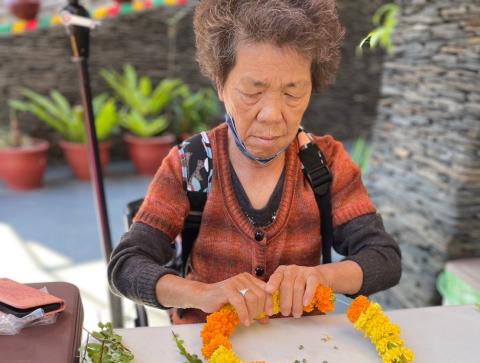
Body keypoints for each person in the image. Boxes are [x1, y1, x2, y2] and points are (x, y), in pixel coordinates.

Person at [108, 0, 401, 327]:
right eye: (252, 91)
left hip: (304, 349)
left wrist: (319, 277)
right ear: (221, 85)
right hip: (203, 345)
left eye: (293, 93)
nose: (272, 115)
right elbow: (125, 266)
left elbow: (384, 258)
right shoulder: (192, 164)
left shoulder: (326, 163)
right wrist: (200, 294)